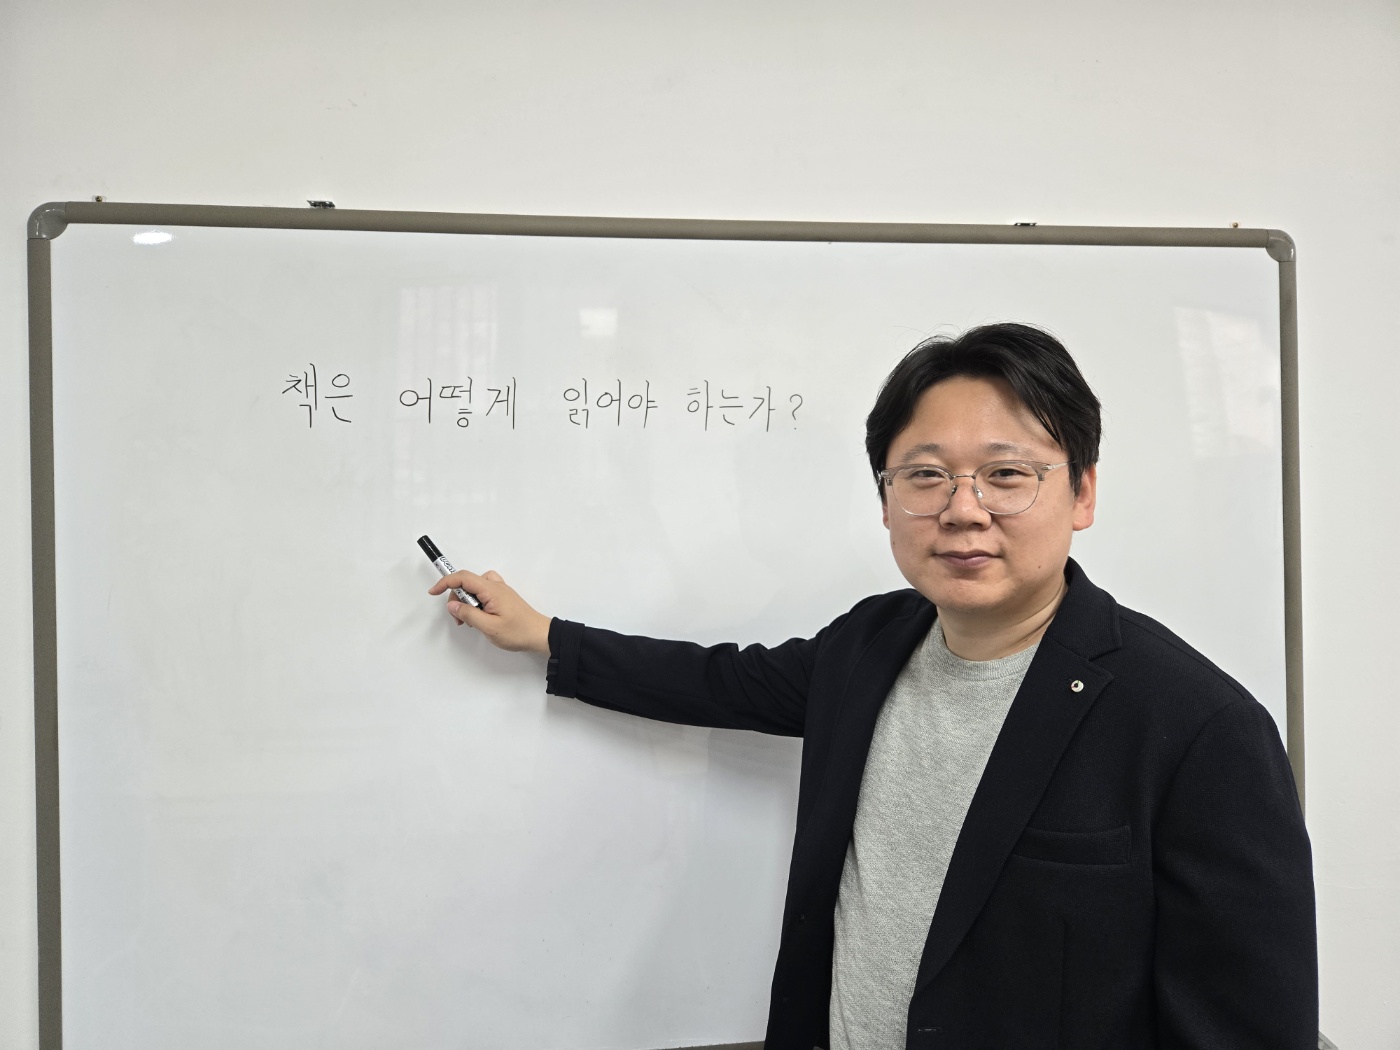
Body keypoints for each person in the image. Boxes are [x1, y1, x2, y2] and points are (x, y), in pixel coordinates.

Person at [429, 323, 1317, 1050]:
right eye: (925, 475)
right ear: (887, 498)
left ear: (1081, 492)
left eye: (1007, 475)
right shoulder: (870, 646)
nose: (962, 508)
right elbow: (718, 682)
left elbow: (1246, 1027)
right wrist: (545, 634)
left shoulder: (1197, 727)